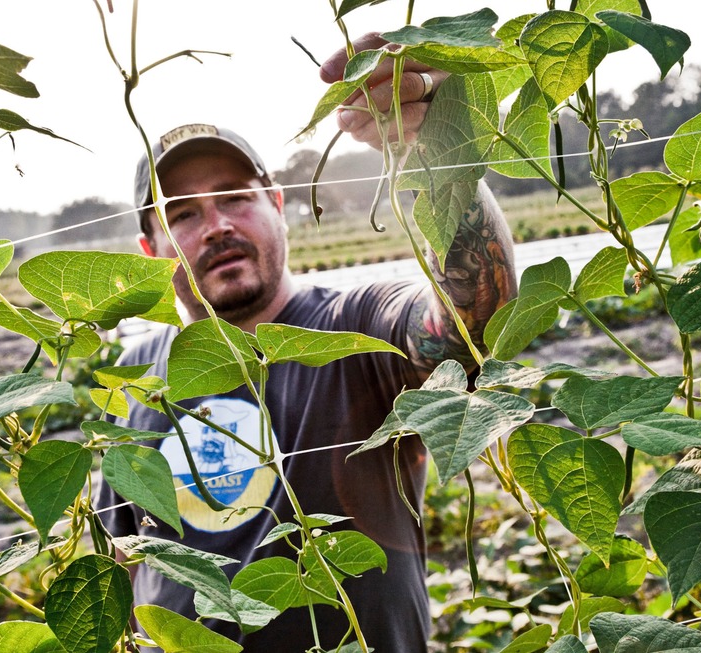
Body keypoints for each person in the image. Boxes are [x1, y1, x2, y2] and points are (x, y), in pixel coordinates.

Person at [94, 33, 517, 652]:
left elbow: (470, 330)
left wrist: (433, 145)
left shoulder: (356, 325)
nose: (217, 226)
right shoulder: (135, 374)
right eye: (182, 214)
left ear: (276, 203)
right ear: (149, 250)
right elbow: (122, 556)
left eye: (237, 197)